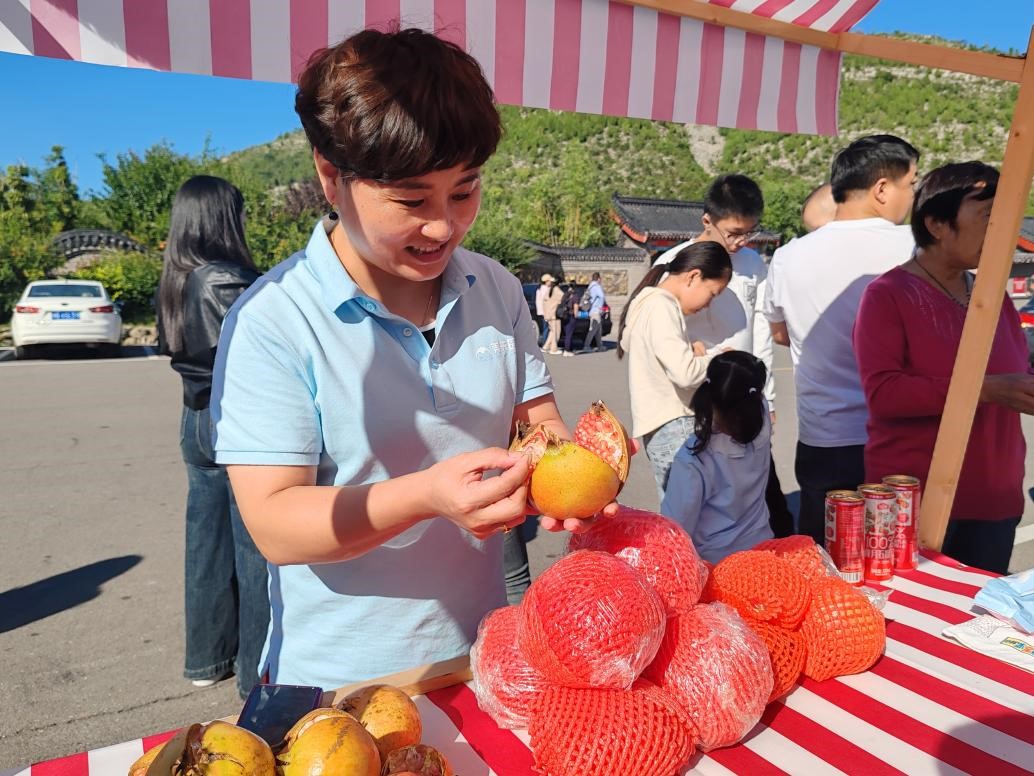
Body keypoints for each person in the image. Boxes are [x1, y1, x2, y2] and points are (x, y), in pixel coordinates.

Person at [211, 27, 603, 691]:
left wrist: (568, 475)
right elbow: (275, 522)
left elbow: (541, 429)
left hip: (484, 654)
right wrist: (426, 496)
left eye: (465, 190)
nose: (444, 225)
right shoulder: (276, 319)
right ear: (330, 176)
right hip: (340, 681)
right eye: (413, 200)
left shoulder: (497, 289)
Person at [855, 162, 1034, 574]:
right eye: (989, 217)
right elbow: (884, 395)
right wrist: (984, 389)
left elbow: (1014, 370)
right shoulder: (888, 295)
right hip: (912, 500)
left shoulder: (993, 296)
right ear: (936, 223)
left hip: (995, 499)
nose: (1002, 231)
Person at [763, 134, 919, 544]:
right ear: (882, 188)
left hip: (824, 435)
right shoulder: (916, 247)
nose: (914, 196)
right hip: (901, 432)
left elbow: (780, 332)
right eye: (912, 183)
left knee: (827, 557)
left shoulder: (788, 256)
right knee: (897, 552)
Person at [155, 175, 269, 699]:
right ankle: (257, 674)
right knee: (256, 547)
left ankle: (206, 658)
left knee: (206, 545)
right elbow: (253, 357)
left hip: (192, 417)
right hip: (234, 421)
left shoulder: (177, 275)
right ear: (223, 217)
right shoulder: (224, 277)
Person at [652, 174, 791, 537]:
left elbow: (761, 334)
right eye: (733, 232)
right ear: (707, 221)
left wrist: (767, 397)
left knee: (764, 502)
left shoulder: (753, 264)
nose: (741, 241)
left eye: (749, 232)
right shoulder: (673, 263)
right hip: (694, 404)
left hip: (744, 397)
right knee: (693, 509)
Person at [617, 242, 733, 502]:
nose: (708, 305)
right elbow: (686, 373)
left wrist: (690, 349)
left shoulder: (644, 302)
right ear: (693, 276)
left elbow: (631, 343)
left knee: (679, 512)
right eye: (713, 293)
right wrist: (720, 358)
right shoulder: (662, 306)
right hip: (676, 424)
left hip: (658, 427)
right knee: (694, 517)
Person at [661, 351, 775, 563]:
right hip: (763, 549)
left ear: (709, 396)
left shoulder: (693, 460)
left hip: (715, 564)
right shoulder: (762, 418)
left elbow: (675, 529)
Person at [580, 272, 606, 353]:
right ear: (598, 279)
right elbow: (601, 296)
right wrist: (601, 308)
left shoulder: (590, 287)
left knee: (598, 329)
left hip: (591, 310)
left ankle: (600, 346)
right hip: (595, 311)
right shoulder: (597, 286)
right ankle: (586, 346)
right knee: (593, 329)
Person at [541, 275, 563, 354]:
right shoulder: (557, 291)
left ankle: (546, 347)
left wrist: (545, 314)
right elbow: (563, 299)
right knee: (556, 332)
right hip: (555, 315)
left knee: (552, 332)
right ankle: (553, 349)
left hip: (549, 314)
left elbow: (544, 303)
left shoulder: (549, 290)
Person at [557, 282, 578, 356]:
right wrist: (576, 315)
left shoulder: (565, 294)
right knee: (569, 334)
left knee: (567, 333)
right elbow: (575, 306)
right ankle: (567, 350)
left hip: (564, 316)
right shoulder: (574, 295)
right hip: (570, 315)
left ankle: (569, 349)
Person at [535, 273, 553, 345]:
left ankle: (545, 343)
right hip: (546, 311)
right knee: (547, 328)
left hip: (542, 311)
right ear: (546, 281)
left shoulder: (540, 289)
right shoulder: (545, 289)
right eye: (549, 281)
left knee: (545, 327)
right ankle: (545, 343)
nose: (551, 283)